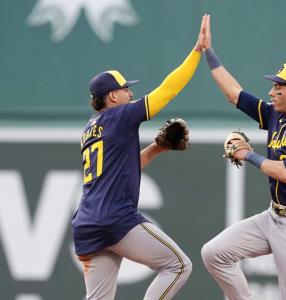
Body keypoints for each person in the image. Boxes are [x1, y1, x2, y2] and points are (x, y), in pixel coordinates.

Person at [71, 17, 205, 300]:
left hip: (86, 224)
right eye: (125, 89)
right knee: (179, 265)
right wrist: (196, 53)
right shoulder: (121, 115)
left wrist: (157, 149)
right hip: (115, 217)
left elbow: (120, 169)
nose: (130, 93)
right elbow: (168, 90)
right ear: (112, 97)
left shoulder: (89, 129)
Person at [199, 15, 286, 300]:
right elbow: (234, 95)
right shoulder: (276, 114)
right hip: (273, 216)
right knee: (214, 254)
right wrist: (208, 53)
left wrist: (246, 154)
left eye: (278, 88)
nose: (271, 92)